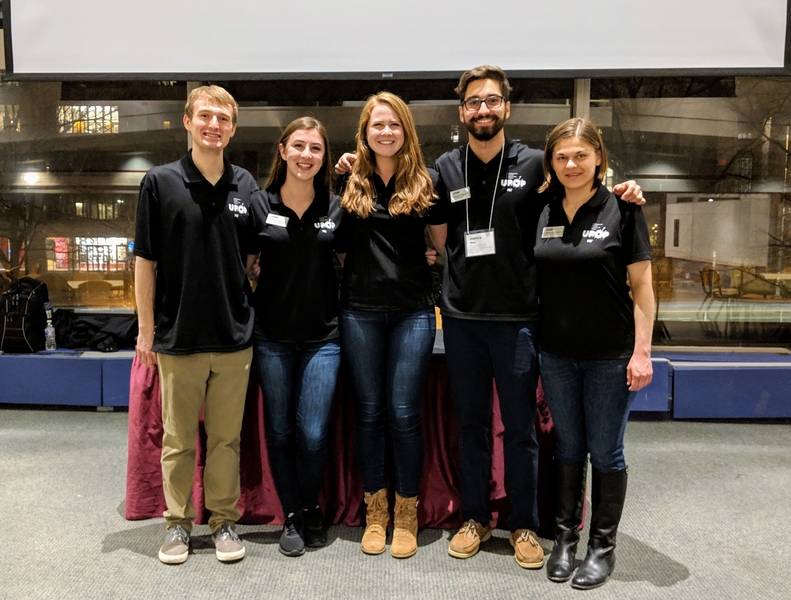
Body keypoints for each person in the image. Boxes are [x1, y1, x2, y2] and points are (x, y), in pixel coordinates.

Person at [336, 66, 642, 569]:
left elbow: (580, 191)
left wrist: (623, 192)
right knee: (472, 423)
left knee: (519, 427)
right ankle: (475, 517)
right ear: (462, 112)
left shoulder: (538, 163)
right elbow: (438, 232)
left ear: (506, 107)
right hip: (460, 318)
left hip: (520, 318)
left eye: (492, 101)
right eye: (474, 102)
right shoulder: (445, 168)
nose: (483, 109)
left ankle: (523, 524)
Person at [134, 85, 258, 565]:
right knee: (179, 440)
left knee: (227, 440)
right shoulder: (159, 182)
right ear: (187, 121)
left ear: (232, 127)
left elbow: (252, 256)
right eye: (205, 116)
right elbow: (144, 262)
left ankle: (224, 521)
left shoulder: (245, 184)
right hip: (178, 336)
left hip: (234, 337)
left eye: (224, 118)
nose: (214, 125)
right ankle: (178, 525)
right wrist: (146, 330)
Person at [534, 118, 653, 590]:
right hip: (556, 354)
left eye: (580, 155)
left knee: (605, 450)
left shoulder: (622, 209)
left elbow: (642, 288)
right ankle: (565, 539)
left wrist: (641, 353)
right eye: (561, 157)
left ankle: (602, 548)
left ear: (598, 157)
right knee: (567, 446)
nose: (571, 164)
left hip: (609, 355)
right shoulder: (542, 209)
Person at [337, 91, 445, 559]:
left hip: (412, 313)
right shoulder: (347, 180)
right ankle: (374, 511)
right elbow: (332, 242)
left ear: (406, 131)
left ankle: (406, 513)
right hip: (359, 309)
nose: (386, 132)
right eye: (377, 124)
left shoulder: (428, 181)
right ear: (365, 131)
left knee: (403, 415)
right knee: (369, 413)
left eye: (394, 124)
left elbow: (443, 248)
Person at [247, 117, 344, 557]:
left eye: (316, 149)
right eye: (299, 146)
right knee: (281, 431)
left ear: (324, 157)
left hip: (324, 338)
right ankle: (290, 514)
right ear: (283, 150)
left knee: (313, 431)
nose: (306, 155)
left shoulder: (336, 207)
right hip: (271, 337)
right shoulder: (257, 204)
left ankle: (311, 506)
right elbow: (243, 265)